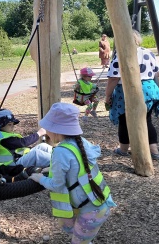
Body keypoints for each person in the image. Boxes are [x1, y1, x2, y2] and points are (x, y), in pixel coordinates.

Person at [29, 102, 116, 244]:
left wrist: (40, 179)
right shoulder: (80, 142)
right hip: (98, 203)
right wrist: (52, 170)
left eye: (47, 128)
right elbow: (75, 168)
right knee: (74, 232)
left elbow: (57, 185)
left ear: (56, 130)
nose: (46, 131)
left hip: (91, 209)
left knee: (79, 242)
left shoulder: (60, 151)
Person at [105, 29, 159, 160]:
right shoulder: (148, 52)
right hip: (149, 89)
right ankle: (154, 151)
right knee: (147, 119)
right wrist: (158, 90)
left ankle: (123, 149)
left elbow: (114, 78)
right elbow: (158, 74)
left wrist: (108, 95)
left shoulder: (120, 54)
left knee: (124, 120)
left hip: (127, 91)